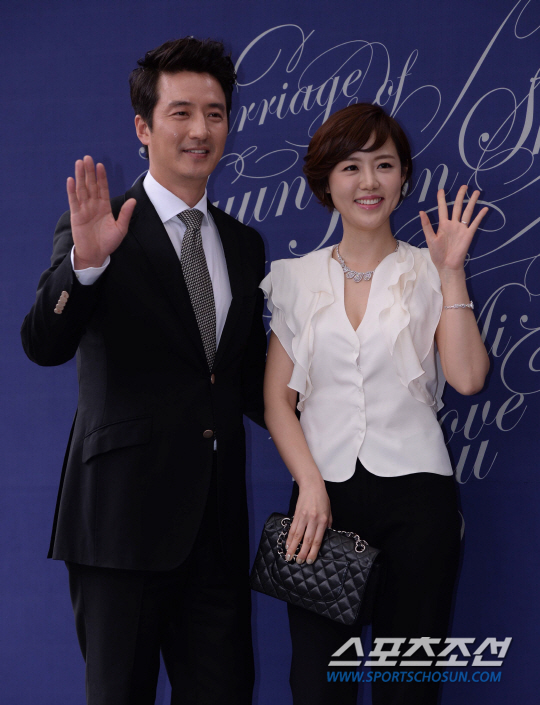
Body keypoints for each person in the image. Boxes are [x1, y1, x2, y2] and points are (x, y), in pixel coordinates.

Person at [21, 37, 266, 705]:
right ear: (144, 127)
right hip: (118, 527)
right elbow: (42, 342)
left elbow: (248, 379)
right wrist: (86, 265)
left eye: (215, 113)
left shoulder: (244, 244)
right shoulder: (97, 228)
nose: (200, 130)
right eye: (180, 112)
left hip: (215, 531)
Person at [261, 103, 490, 705]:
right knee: (317, 688)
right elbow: (277, 400)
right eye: (351, 166)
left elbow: (468, 378)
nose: (369, 181)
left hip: (419, 501)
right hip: (320, 505)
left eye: (384, 165)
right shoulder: (296, 278)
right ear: (326, 182)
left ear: (403, 177)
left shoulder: (429, 269)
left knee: (406, 687)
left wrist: (452, 273)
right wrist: (310, 484)